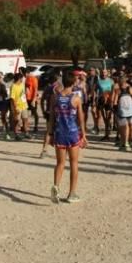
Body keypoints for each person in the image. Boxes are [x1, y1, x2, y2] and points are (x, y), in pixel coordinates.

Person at [47, 69, 86, 203]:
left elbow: (51, 117)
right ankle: (72, 194)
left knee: (60, 163)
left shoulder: (55, 97)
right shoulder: (76, 98)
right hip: (72, 133)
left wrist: (50, 134)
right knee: (74, 163)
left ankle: (56, 186)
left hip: (59, 133)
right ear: (74, 82)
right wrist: (84, 135)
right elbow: (81, 118)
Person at [115, 79, 132, 151]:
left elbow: (114, 101)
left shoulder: (119, 90)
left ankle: (126, 143)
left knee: (125, 127)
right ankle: (129, 142)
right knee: (130, 126)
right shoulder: (131, 89)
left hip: (123, 111)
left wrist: (114, 108)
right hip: (129, 111)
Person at [24, 68, 40, 133]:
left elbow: (35, 90)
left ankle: (36, 126)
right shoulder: (26, 79)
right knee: (26, 113)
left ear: (26, 73)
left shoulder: (33, 79)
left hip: (32, 99)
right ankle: (25, 126)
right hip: (27, 99)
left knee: (34, 113)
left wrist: (34, 100)